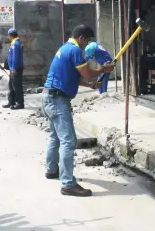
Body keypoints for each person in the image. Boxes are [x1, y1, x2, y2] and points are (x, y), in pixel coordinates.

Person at [42, 25, 115, 197]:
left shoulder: (65, 48)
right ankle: (68, 184)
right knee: (69, 141)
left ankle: (51, 170)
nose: (87, 44)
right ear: (81, 38)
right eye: (88, 41)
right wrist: (103, 69)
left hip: (49, 97)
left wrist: (90, 84)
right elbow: (88, 73)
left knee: (55, 137)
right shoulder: (74, 50)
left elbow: (74, 77)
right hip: (58, 100)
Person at [3, 28, 24, 110]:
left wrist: (14, 68)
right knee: (11, 86)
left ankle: (20, 103)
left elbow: (15, 57)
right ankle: (11, 102)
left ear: (10, 36)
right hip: (13, 68)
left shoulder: (15, 44)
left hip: (16, 68)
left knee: (17, 86)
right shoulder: (15, 42)